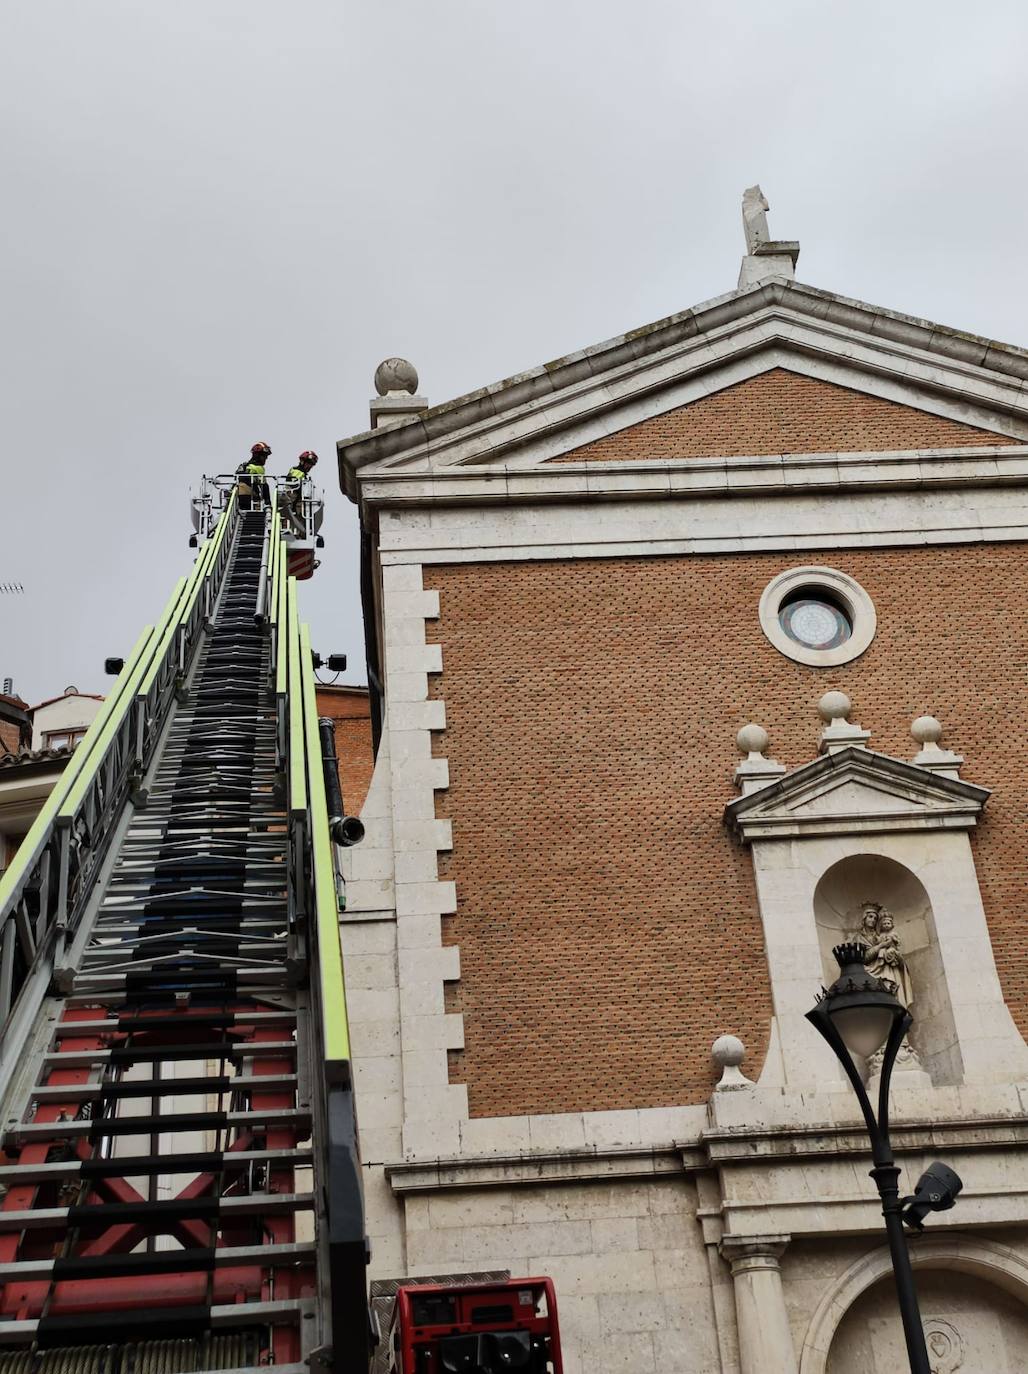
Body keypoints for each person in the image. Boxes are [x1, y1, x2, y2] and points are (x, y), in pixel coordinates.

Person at [281, 450, 318, 534]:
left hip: (296, 500)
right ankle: (293, 530)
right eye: (308, 464)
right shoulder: (297, 472)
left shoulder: (301, 473)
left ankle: (299, 531)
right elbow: (295, 486)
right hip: (293, 499)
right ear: (302, 461)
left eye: (311, 465)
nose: (310, 467)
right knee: (296, 514)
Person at [236, 441, 271, 509]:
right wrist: (268, 501)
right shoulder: (259, 468)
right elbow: (264, 486)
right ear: (257, 455)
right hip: (251, 497)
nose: (265, 458)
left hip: (238, 496)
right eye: (264, 456)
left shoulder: (243, 466)